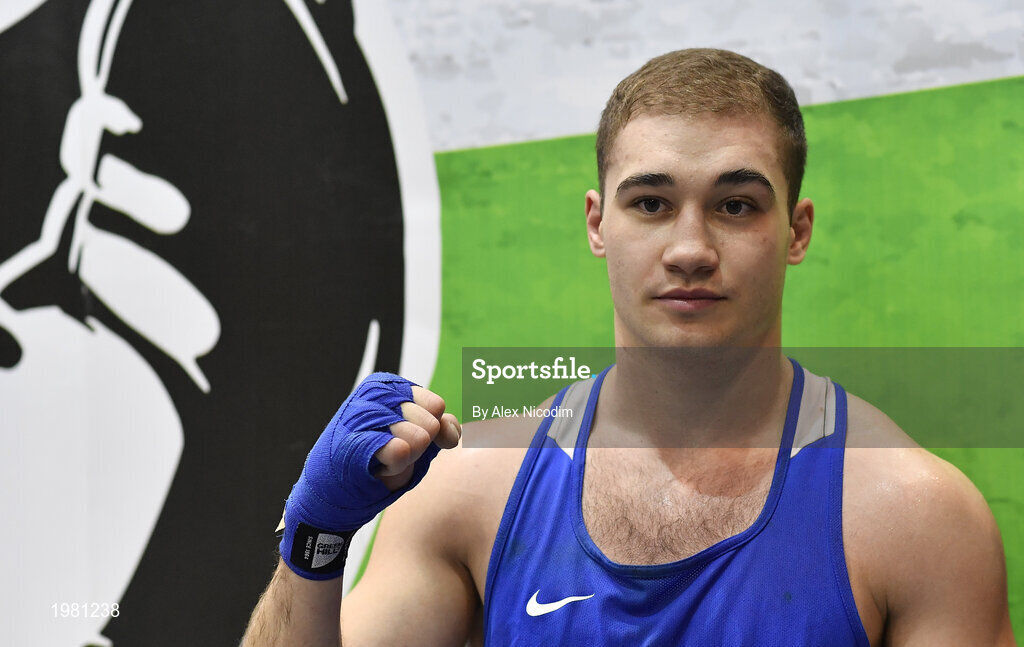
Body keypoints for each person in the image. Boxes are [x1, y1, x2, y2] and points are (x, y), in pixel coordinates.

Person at [241, 49, 1015, 646]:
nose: (690, 247)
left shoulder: (917, 517)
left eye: (736, 204)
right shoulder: (470, 490)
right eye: (650, 202)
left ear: (797, 231)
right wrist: (314, 540)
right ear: (597, 223)